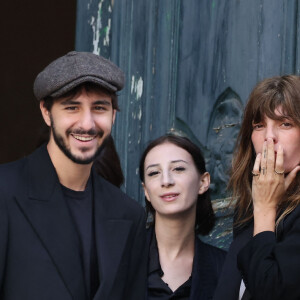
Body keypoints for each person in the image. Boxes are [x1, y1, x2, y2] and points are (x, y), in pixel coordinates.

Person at [0, 51, 147, 300]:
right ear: (47, 113)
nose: (87, 124)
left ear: (113, 115)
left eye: (99, 107)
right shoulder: (5, 190)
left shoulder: (129, 214)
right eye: (72, 107)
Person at [213, 75, 300, 300]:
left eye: (285, 123)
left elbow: (271, 291)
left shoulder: (261, 208)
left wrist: (265, 210)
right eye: (259, 125)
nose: (269, 137)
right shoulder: (247, 210)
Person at [139, 134, 226, 300]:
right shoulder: (120, 258)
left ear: (203, 182)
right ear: (146, 191)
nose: (166, 181)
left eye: (178, 169)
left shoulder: (225, 268)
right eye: (154, 173)